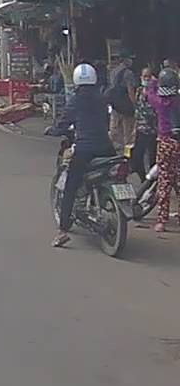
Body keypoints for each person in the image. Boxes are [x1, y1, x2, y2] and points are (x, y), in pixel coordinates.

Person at [50, 63, 117, 248]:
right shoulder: (102, 98)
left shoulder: (75, 100)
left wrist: (55, 130)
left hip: (85, 149)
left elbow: (64, 122)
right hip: (107, 148)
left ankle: (62, 231)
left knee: (71, 186)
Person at [147, 68, 180, 233]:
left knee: (164, 182)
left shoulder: (159, 102)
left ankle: (161, 221)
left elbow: (149, 93)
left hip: (165, 143)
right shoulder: (178, 101)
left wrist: (153, 81)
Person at [130, 66, 158, 184]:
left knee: (153, 158)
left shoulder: (156, 92)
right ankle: (143, 180)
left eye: (149, 77)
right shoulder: (139, 91)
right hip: (141, 129)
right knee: (137, 157)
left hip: (153, 130)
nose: (146, 79)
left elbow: (155, 110)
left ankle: (153, 183)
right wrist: (134, 127)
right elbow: (137, 110)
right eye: (144, 76)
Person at [105, 54, 137, 152]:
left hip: (115, 107)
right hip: (127, 108)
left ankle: (117, 154)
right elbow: (130, 91)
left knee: (115, 133)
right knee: (128, 136)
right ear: (126, 60)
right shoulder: (128, 73)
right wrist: (135, 106)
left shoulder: (113, 71)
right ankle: (127, 156)